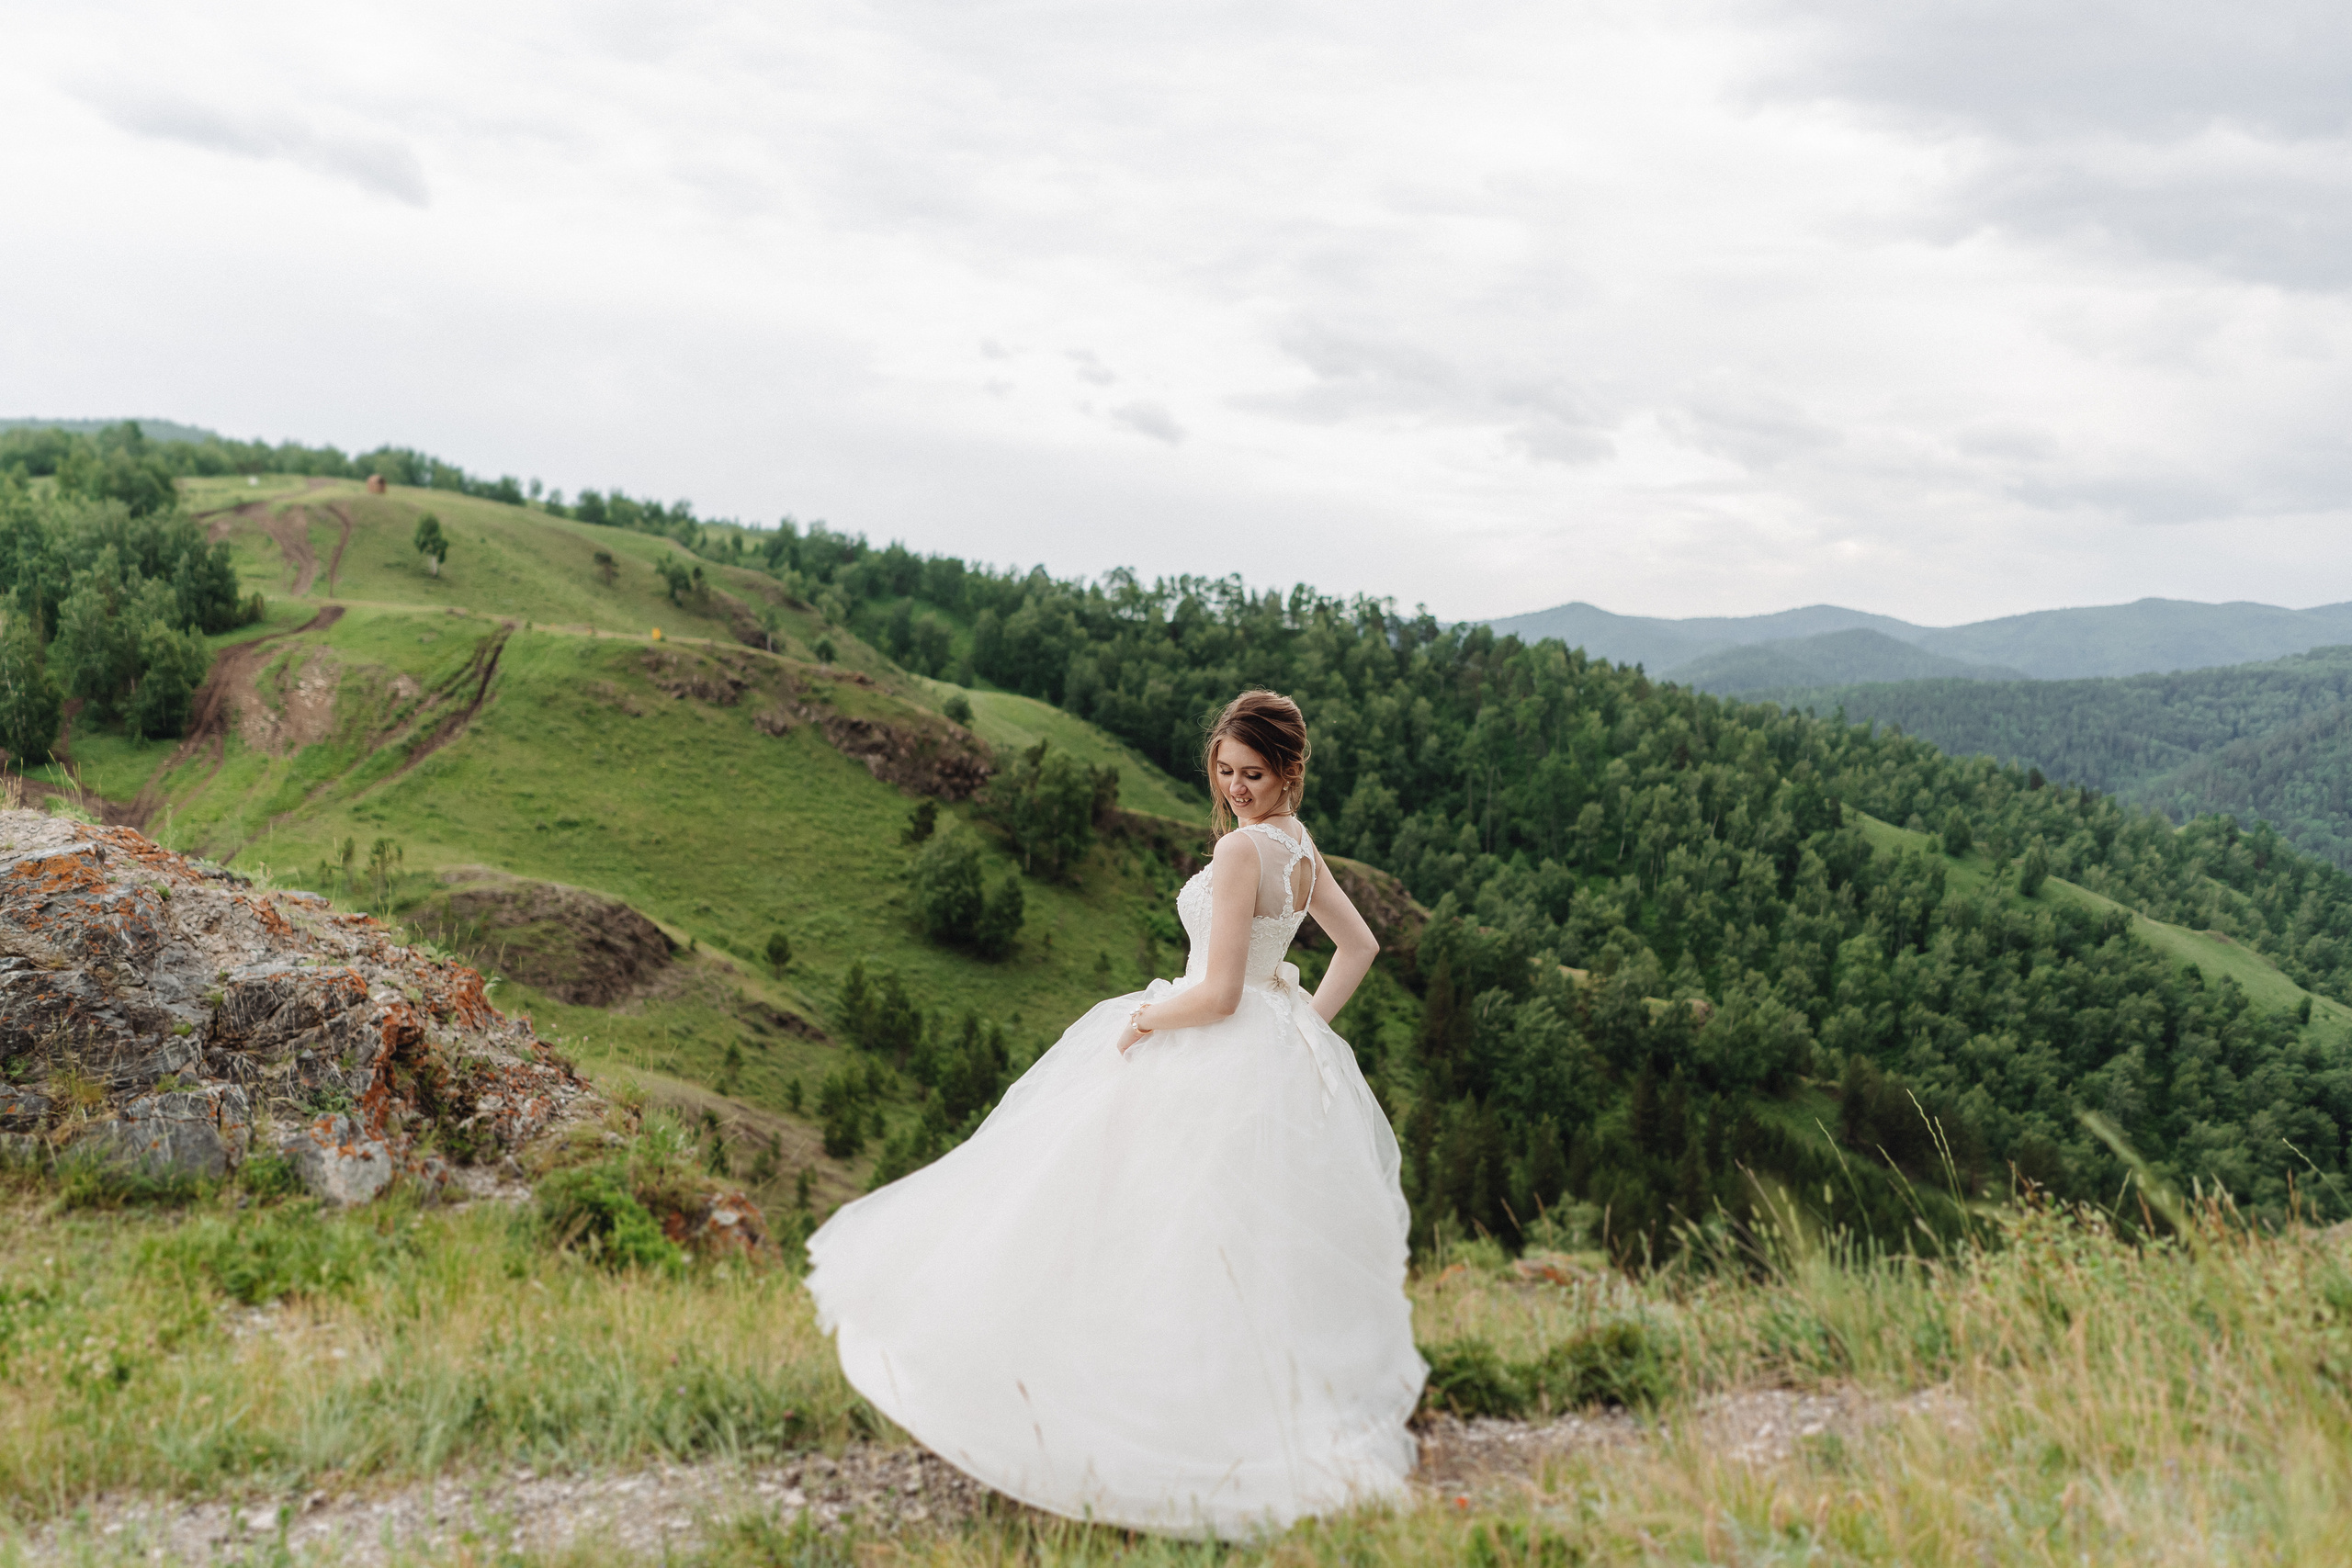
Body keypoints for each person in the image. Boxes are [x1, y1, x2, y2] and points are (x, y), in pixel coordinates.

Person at [806, 690, 1424, 1539]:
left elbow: (1213, 995)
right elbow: (1357, 948)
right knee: (1213, 1240)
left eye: (1253, 774)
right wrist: (1295, 1023)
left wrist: (1141, 1020)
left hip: (1205, 1045)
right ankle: (1205, 1407)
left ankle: (1111, 1416)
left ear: (1290, 771)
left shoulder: (1248, 850)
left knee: (1128, 1220)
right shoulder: (1299, 847)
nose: (1236, 788)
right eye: (1225, 771)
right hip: (1259, 1052)